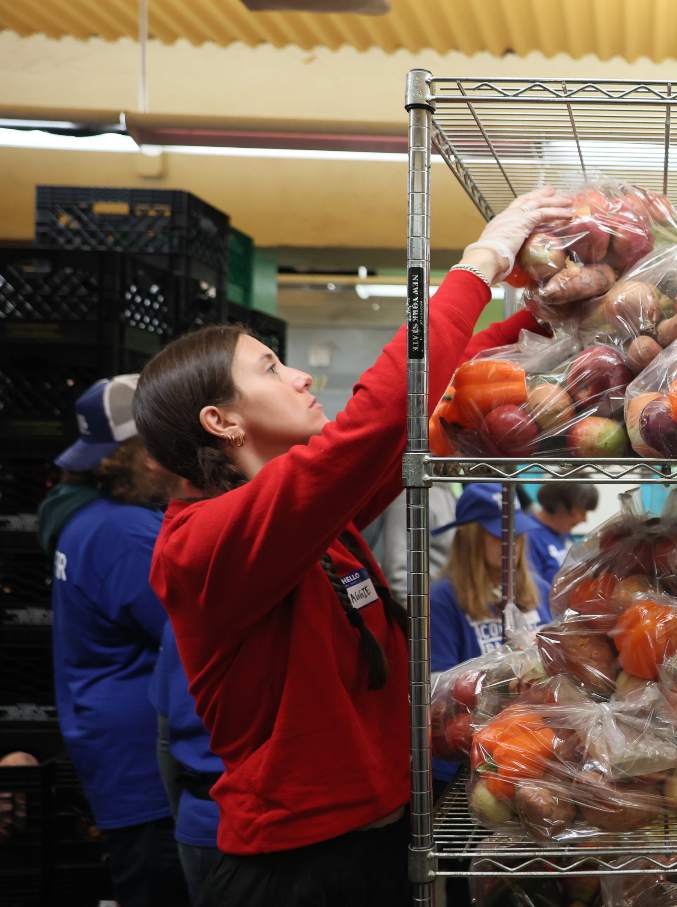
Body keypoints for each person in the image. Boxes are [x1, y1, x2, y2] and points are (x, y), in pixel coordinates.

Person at [132, 188, 572, 904]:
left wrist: (542, 321)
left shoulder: (310, 527)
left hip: (376, 842)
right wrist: (480, 264)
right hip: (296, 869)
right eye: (270, 368)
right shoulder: (207, 542)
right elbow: (374, 422)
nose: (300, 375)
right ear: (221, 421)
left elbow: (415, 417)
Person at [37, 375, 190, 906]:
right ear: (147, 455)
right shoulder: (125, 534)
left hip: (113, 749)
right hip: (143, 763)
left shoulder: (85, 519)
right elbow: (193, 632)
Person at [430, 482, 543, 673]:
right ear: (470, 538)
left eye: (517, 532)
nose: (511, 541)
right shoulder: (441, 600)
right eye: (500, 533)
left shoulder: (540, 588)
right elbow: (436, 685)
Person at [150, 623, 223, 902]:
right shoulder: (283, 610)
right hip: (275, 820)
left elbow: (166, 740)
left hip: (200, 814)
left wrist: (183, 817)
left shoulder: (178, 620)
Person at [528, 482, 599, 622]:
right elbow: (532, 593)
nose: (584, 519)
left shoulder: (563, 534)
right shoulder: (530, 537)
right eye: (582, 511)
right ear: (559, 506)